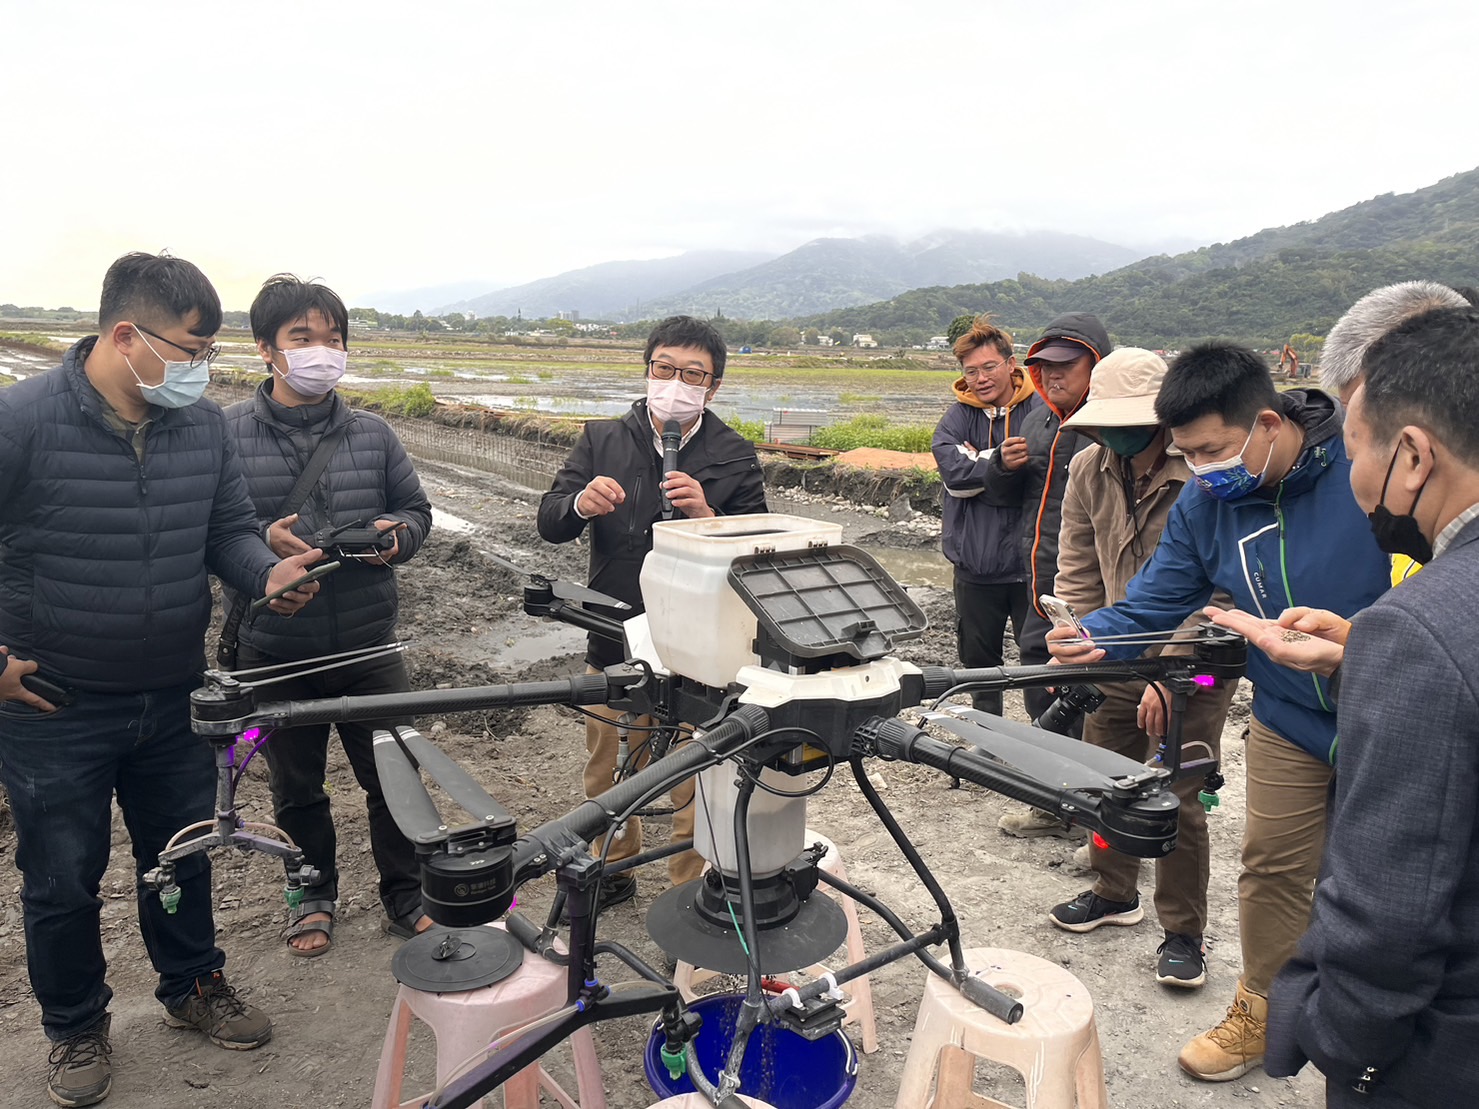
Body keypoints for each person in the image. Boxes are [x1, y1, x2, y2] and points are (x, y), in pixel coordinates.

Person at [0, 252, 324, 1107]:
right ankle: (75, 1026)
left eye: (210, 352)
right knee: (61, 877)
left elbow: (228, 530)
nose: (201, 369)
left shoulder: (202, 427)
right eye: (191, 349)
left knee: (182, 853)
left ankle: (192, 984)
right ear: (124, 335)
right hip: (53, 703)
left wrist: (266, 574)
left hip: (174, 691)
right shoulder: (20, 421)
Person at [1046, 343, 1390, 1083]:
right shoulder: (1205, 503)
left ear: (1266, 422)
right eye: (1189, 453)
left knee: (1382, 877)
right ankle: (1260, 1011)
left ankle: (1382, 1030)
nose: (1200, 468)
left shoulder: (1366, 468)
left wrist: (1358, 647)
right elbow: (1156, 598)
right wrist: (1090, 635)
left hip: (1390, 703)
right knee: (1271, 867)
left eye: (1210, 450)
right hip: (1288, 714)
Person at [1257, 306, 1479, 1107]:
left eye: (1355, 454)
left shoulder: (1418, 626)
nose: (1353, 486)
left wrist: (1345, 1046)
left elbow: (1388, 912)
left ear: (1412, 455)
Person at [222, 275, 434, 956]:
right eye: (303, 337)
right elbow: (209, 532)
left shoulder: (373, 433)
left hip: (368, 644)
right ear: (266, 348)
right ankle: (312, 894)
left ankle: (407, 894)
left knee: (395, 776)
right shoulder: (224, 435)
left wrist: (398, 536)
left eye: (333, 338)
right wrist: (261, 549)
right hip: (275, 647)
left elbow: (416, 510)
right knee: (296, 786)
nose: (322, 351)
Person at [537, 315, 767, 909]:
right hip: (615, 631)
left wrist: (709, 517)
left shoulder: (733, 454)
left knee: (700, 765)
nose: (676, 383)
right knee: (611, 762)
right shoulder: (603, 439)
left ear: (713, 387)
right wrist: (580, 504)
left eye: (693, 374)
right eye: (665, 368)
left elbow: (760, 549)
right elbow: (551, 521)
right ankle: (614, 865)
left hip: (702, 641)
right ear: (647, 370)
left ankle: (690, 888)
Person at [1044, 348, 1236, 989]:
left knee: (1177, 792)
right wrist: (1078, 644)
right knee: (1105, 780)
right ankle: (1113, 891)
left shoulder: (1202, 472)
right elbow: (1078, 567)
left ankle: (1183, 930)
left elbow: (1223, 590)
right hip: (1114, 651)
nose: (1115, 435)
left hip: (1198, 664)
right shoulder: (1088, 467)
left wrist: (1173, 671)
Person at [979, 312, 1111, 837]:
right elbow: (1005, 499)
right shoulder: (1036, 421)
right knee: (1042, 687)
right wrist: (1000, 467)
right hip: (1040, 584)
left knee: (1097, 701)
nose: (1053, 376)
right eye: (1044, 367)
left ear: (1095, 365)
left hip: (1098, 591)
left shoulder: (1110, 425)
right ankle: (1055, 804)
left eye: (1066, 365)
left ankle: (1101, 815)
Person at [930, 315, 1040, 715]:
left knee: (1040, 664)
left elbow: (1041, 471)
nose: (980, 378)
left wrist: (980, 460)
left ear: (1011, 364)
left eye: (989, 367)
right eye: (970, 371)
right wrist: (1002, 462)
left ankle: (1046, 737)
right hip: (975, 567)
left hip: (1032, 567)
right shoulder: (957, 417)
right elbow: (955, 477)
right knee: (979, 667)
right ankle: (987, 737)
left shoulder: (1040, 409)